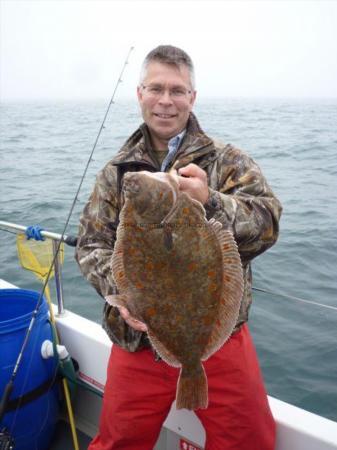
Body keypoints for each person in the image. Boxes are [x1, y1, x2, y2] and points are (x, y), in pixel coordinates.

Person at [75, 45, 282, 450]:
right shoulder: (115, 173)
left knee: (249, 441)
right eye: (155, 88)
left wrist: (211, 200)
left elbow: (268, 224)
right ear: (139, 94)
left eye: (177, 90)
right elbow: (91, 243)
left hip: (217, 336)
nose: (165, 101)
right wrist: (124, 297)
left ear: (192, 97)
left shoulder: (228, 162)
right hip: (137, 338)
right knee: (118, 442)